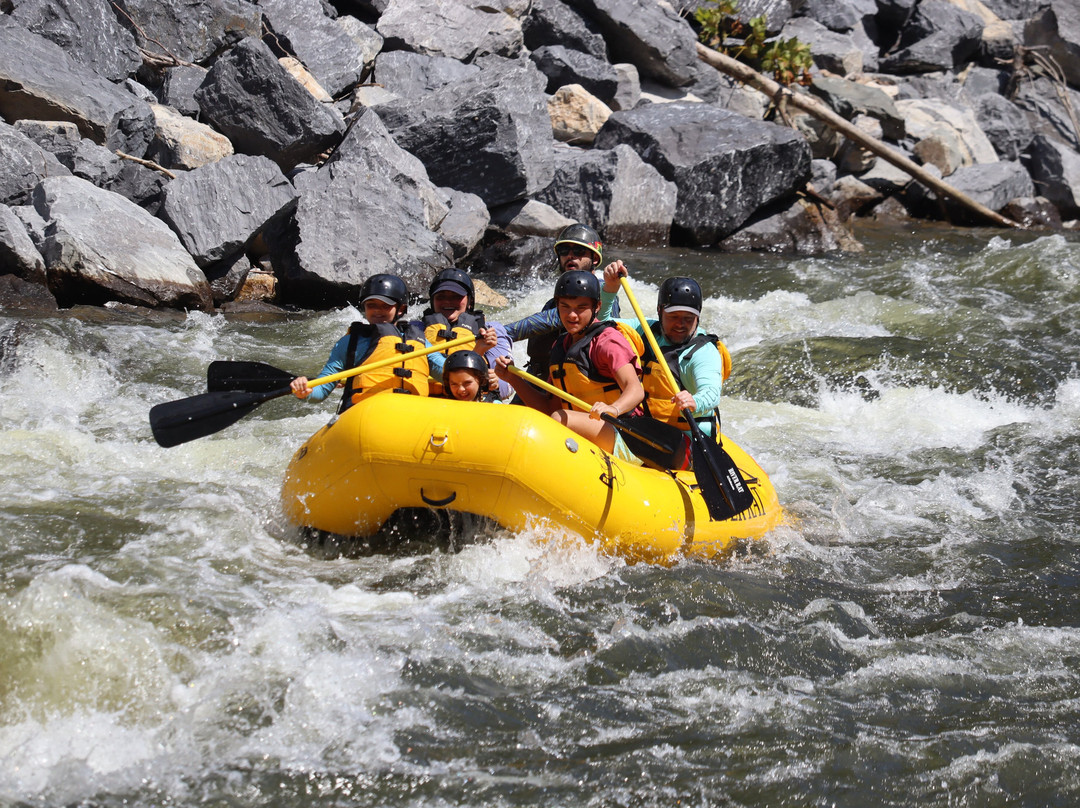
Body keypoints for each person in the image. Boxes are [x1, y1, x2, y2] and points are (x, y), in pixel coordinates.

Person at [495, 270, 645, 462]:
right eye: (564, 307)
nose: (571, 315)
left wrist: (613, 409)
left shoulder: (607, 341)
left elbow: (635, 390)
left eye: (581, 308)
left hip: (625, 435)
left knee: (560, 418)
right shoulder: (561, 346)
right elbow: (548, 407)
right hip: (584, 429)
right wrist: (513, 379)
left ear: (597, 307)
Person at [600, 264, 730, 442]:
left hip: (689, 439)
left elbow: (711, 392)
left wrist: (695, 402)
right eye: (673, 317)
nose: (680, 324)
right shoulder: (646, 329)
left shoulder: (703, 352)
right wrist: (610, 288)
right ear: (660, 311)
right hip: (650, 429)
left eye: (688, 318)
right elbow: (602, 325)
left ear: (698, 317)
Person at [290, 273, 445, 408]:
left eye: (385, 306)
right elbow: (321, 391)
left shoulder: (419, 342)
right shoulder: (350, 343)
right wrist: (305, 392)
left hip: (413, 415)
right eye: (371, 305)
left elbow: (447, 372)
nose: (377, 311)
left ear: (401, 310)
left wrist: (466, 369)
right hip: (365, 418)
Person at [503, 223, 621, 380]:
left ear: (595, 258)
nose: (570, 256)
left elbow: (552, 319)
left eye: (579, 251)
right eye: (564, 251)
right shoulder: (554, 300)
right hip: (542, 378)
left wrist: (500, 332)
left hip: (581, 382)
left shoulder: (603, 293)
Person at [416, 267, 510, 398]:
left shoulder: (490, 330)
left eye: (456, 297)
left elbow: (508, 387)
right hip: (428, 400)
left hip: (472, 401)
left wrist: (496, 381)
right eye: (441, 297)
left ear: (470, 301)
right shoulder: (415, 329)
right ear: (432, 301)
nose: (448, 301)